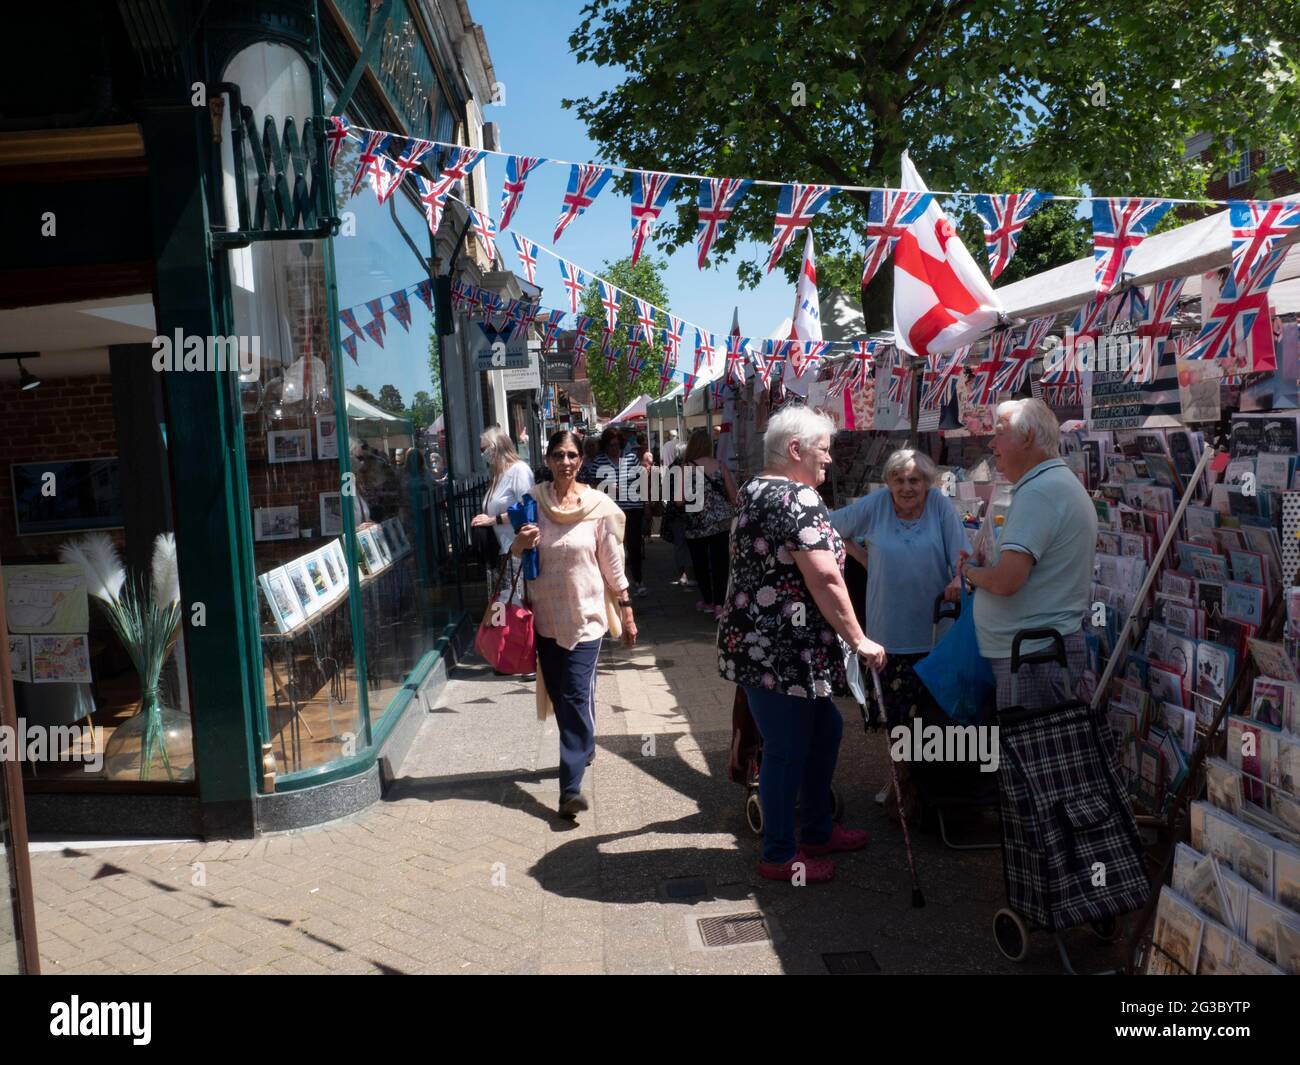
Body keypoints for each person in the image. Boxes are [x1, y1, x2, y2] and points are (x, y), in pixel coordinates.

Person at [717, 405, 887, 884]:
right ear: (795, 450)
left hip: (767, 645)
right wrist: (859, 639)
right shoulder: (797, 498)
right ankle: (779, 853)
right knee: (787, 748)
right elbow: (827, 578)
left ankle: (815, 829)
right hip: (779, 652)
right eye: (824, 450)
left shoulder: (755, 487)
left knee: (826, 729)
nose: (829, 460)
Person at [511, 430, 638, 818]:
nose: (565, 462)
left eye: (571, 455)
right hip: (546, 618)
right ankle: (585, 744)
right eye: (558, 455)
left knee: (574, 695)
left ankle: (570, 788)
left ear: (581, 460)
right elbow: (514, 551)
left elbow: (611, 564)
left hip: (587, 619)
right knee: (564, 694)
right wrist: (521, 543)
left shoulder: (597, 506)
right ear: (547, 460)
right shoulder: (533, 502)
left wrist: (627, 609)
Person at [830, 448, 968, 802]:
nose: (907, 487)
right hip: (889, 632)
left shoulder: (939, 506)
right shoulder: (877, 505)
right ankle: (901, 780)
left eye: (915, 480)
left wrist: (956, 578)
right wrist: (862, 557)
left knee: (931, 714)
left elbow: (961, 556)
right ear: (889, 482)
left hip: (936, 632)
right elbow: (829, 527)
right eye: (900, 480)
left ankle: (928, 781)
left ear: (927, 482)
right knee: (895, 715)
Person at [953, 398, 1097, 710]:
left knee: (1025, 754)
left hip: (1032, 657)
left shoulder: (1040, 491)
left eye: (999, 433)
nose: (991, 443)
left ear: (1028, 437)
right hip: (1033, 653)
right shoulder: (1050, 484)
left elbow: (1007, 581)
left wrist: (969, 573)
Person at [470, 426, 535, 612]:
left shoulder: (519, 471)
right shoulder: (497, 475)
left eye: (484, 449)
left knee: (515, 607)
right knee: (502, 609)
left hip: (515, 552)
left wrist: (492, 520)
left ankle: (518, 641)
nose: (483, 454)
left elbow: (526, 510)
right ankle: (504, 641)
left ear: (496, 447)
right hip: (500, 553)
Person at [681, 427, 737, 618]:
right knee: (720, 564)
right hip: (721, 522)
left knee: (700, 564)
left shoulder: (686, 468)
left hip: (696, 524)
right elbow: (733, 496)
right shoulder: (720, 466)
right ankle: (720, 605)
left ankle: (707, 601)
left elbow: (680, 499)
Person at [594, 427, 647, 597]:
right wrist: (606, 488)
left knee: (634, 545)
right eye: (610, 445)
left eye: (616, 445)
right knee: (614, 547)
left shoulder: (631, 458)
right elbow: (591, 486)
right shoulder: (599, 461)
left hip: (633, 509)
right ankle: (618, 583)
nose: (614, 448)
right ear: (605, 446)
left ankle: (638, 580)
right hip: (610, 511)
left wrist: (647, 506)